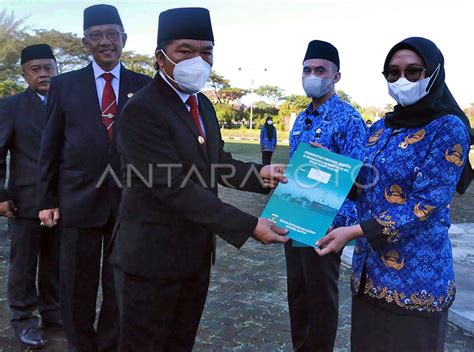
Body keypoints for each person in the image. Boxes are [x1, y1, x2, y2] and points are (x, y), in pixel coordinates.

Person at [109, 7, 289, 352]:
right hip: (150, 260)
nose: (199, 60)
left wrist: (260, 176)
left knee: (180, 342)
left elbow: (216, 162)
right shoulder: (142, 109)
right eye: (185, 51)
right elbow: (172, 186)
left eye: (206, 51)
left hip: (193, 255)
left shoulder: (201, 104)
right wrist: (250, 224)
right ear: (160, 58)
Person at [315, 37, 473, 352]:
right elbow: (363, 184)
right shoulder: (381, 127)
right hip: (368, 275)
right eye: (393, 72)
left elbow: (426, 206)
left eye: (413, 71)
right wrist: (327, 167)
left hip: (415, 279)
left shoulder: (447, 128)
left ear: (434, 73)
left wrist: (355, 231)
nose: (402, 79)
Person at [36, 5, 151, 351]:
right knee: (76, 282)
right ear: (86, 42)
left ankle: (108, 342)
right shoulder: (63, 86)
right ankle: (80, 343)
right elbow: (50, 146)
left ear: (124, 39)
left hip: (128, 203)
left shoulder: (144, 87)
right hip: (77, 200)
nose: (105, 42)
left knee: (119, 280)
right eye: (97, 36)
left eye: (112, 34)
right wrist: (47, 200)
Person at [285, 40, 367, 351]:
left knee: (320, 298)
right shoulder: (300, 119)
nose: (312, 75)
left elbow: (361, 177)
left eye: (320, 70)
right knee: (298, 292)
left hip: (328, 221)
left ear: (336, 76)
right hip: (294, 214)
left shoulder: (349, 118)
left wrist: (331, 162)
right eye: (307, 70)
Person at [0, 44, 60, 350]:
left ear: (57, 67)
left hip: (65, 200)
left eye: (48, 67)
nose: (43, 74)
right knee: (23, 265)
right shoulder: (10, 107)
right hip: (25, 201)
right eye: (35, 69)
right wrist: (0, 194)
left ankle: (53, 313)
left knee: (57, 262)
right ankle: (23, 321)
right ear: (24, 73)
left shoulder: (70, 102)